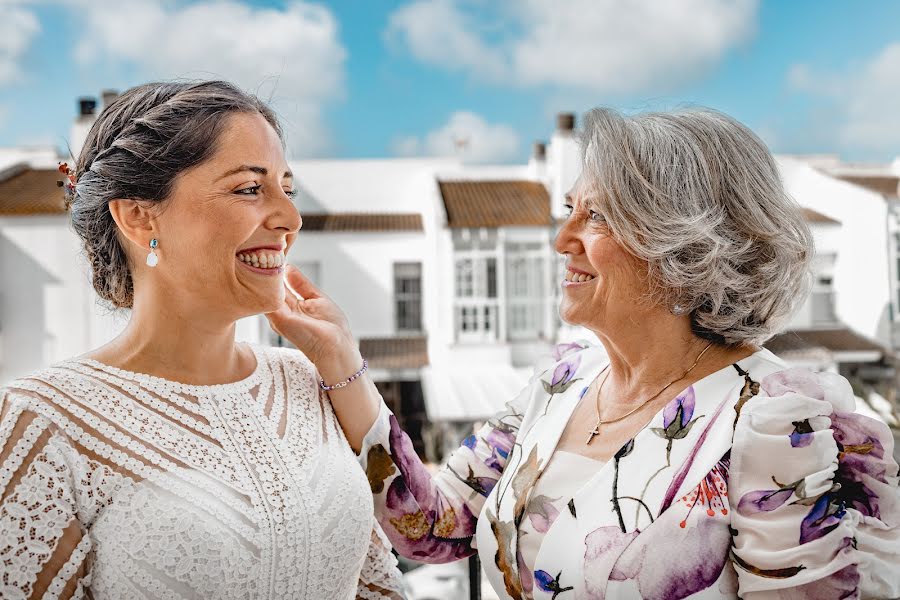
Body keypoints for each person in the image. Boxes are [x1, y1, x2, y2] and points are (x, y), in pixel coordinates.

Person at [267, 107, 900, 599]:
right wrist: (339, 361)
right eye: (568, 210)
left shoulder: (784, 427)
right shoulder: (565, 380)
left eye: (593, 217)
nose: (560, 240)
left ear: (682, 243)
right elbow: (432, 526)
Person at [0, 81, 403, 600]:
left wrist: (344, 362)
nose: (290, 219)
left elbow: (381, 579)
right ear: (138, 216)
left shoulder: (305, 378)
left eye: (287, 188)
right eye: (249, 189)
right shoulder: (41, 422)